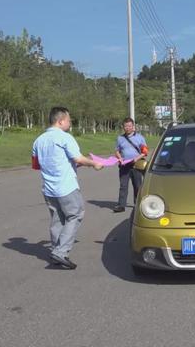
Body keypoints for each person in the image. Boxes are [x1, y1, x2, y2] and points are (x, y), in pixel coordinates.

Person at [32, 106, 104, 269]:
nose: (70, 123)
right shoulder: (65, 137)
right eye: (69, 120)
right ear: (61, 121)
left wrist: (71, 165)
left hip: (49, 189)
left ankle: (56, 249)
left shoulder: (39, 140)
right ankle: (61, 251)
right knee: (75, 215)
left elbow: (37, 165)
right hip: (66, 187)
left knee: (58, 219)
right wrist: (94, 163)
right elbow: (78, 157)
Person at [113, 117, 148, 213]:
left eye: (129, 126)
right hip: (124, 165)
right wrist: (119, 157)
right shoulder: (120, 138)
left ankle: (137, 204)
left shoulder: (140, 138)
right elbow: (116, 151)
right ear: (123, 127)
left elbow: (145, 152)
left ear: (133, 126)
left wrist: (136, 159)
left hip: (136, 165)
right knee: (123, 186)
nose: (127, 128)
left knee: (137, 185)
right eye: (125, 126)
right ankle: (121, 205)